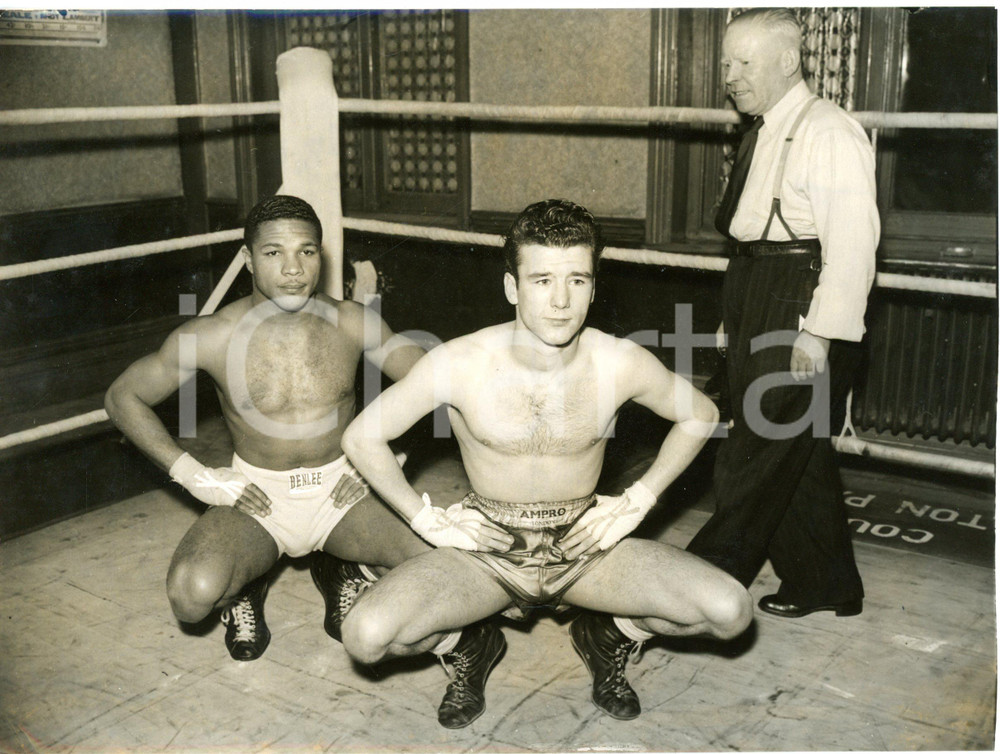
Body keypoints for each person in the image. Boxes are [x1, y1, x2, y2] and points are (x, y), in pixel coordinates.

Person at [338, 199, 753, 728]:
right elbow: (362, 437)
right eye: (542, 281)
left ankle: (610, 636)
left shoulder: (618, 361)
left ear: (595, 287)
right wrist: (427, 520)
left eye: (577, 280)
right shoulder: (460, 362)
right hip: (488, 546)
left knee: (729, 611)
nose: (561, 301)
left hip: (585, 542)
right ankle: (469, 642)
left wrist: (638, 501)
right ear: (512, 286)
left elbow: (701, 413)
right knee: (367, 637)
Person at [104, 195, 431, 661]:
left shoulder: (353, 321)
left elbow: (437, 381)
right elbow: (122, 397)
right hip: (259, 497)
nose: (294, 269)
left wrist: (385, 459)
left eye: (307, 251)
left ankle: (343, 568)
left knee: (442, 569)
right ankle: (245, 585)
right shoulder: (213, 334)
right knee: (191, 593)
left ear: (322, 254)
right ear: (247, 259)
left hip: (344, 491)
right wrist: (195, 475)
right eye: (274, 252)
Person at [686, 9, 879, 618]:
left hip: (800, 296)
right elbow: (751, 237)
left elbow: (852, 244)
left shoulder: (829, 132)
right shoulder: (765, 129)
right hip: (757, 287)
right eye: (725, 62)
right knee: (798, 450)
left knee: (754, 446)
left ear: (788, 61)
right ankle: (828, 582)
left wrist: (818, 335)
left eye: (744, 62)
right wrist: (735, 316)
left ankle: (698, 584)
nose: (730, 76)